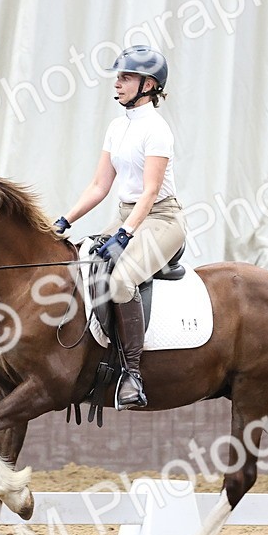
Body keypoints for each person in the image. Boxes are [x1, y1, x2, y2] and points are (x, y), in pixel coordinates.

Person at [52, 45, 186, 410]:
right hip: (127, 212)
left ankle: (133, 375)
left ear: (149, 84)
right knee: (81, 259)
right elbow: (99, 186)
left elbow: (151, 191)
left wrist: (125, 234)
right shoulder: (117, 127)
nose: (118, 83)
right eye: (118, 76)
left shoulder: (157, 130)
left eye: (126, 77)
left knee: (122, 280)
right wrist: (64, 221)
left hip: (162, 218)